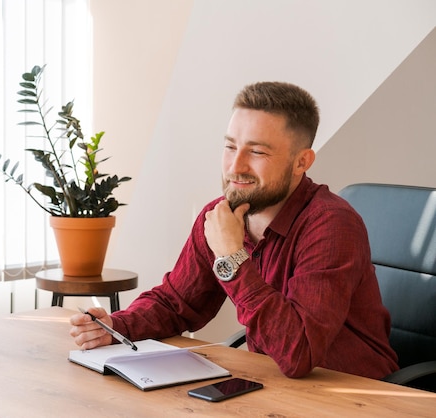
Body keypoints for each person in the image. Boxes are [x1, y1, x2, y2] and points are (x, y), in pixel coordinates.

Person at [69, 81, 399, 379]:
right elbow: (177, 303)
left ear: (302, 162)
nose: (235, 166)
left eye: (256, 151)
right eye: (230, 147)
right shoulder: (220, 217)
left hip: (357, 397)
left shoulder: (332, 225)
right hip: (277, 389)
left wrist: (231, 256)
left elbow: (299, 353)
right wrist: (115, 325)